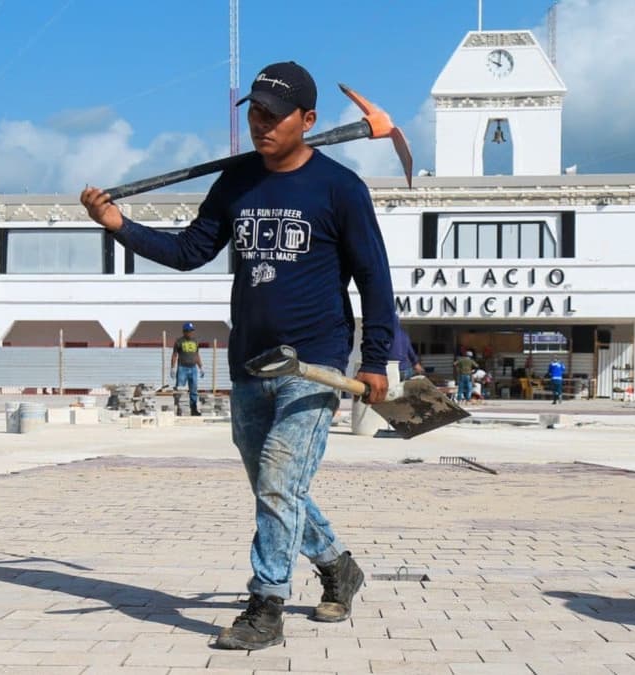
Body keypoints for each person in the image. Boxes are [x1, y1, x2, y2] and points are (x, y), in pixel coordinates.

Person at [80, 61, 394, 651]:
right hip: (252, 359)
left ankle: (266, 604)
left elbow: (375, 280)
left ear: (308, 120)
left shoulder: (340, 189)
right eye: (255, 112)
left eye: (274, 116)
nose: (261, 124)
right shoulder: (237, 182)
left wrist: (375, 359)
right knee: (276, 486)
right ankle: (339, 567)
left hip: (315, 363)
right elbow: (191, 250)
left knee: (279, 475)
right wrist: (117, 224)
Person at [171, 322, 204, 416]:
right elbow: (174, 355)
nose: (190, 333)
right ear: (184, 332)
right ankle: (179, 410)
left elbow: (197, 355)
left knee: (193, 390)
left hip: (193, 368)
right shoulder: (179, 341)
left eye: (191, 331)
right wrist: (172, 367)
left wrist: (201, 367)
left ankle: (194, 410)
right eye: (188, 331)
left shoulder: (195, 341)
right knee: (180, 390)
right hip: (182, 368)